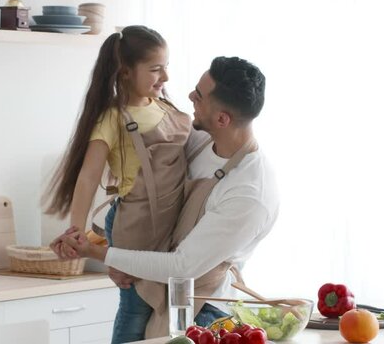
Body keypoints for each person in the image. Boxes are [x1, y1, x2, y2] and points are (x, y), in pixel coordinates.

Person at [54, 56, 279, 339]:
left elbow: (183, 266)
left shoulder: (250, 193)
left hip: (206, 311)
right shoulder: (198, 142)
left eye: (198, 96)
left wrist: (101, 254)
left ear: (223, 119)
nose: (189, 97)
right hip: (162, 292)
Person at [43, 25, 192, 344]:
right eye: (155, 69)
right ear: (125, 72)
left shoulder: (167, 108)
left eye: (166, 67)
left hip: (170, 222)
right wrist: (76, 231)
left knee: (164, 310)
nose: (164, 77)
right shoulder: (112, 118)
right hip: (135, 225)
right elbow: (88, 177)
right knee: (136, 307)